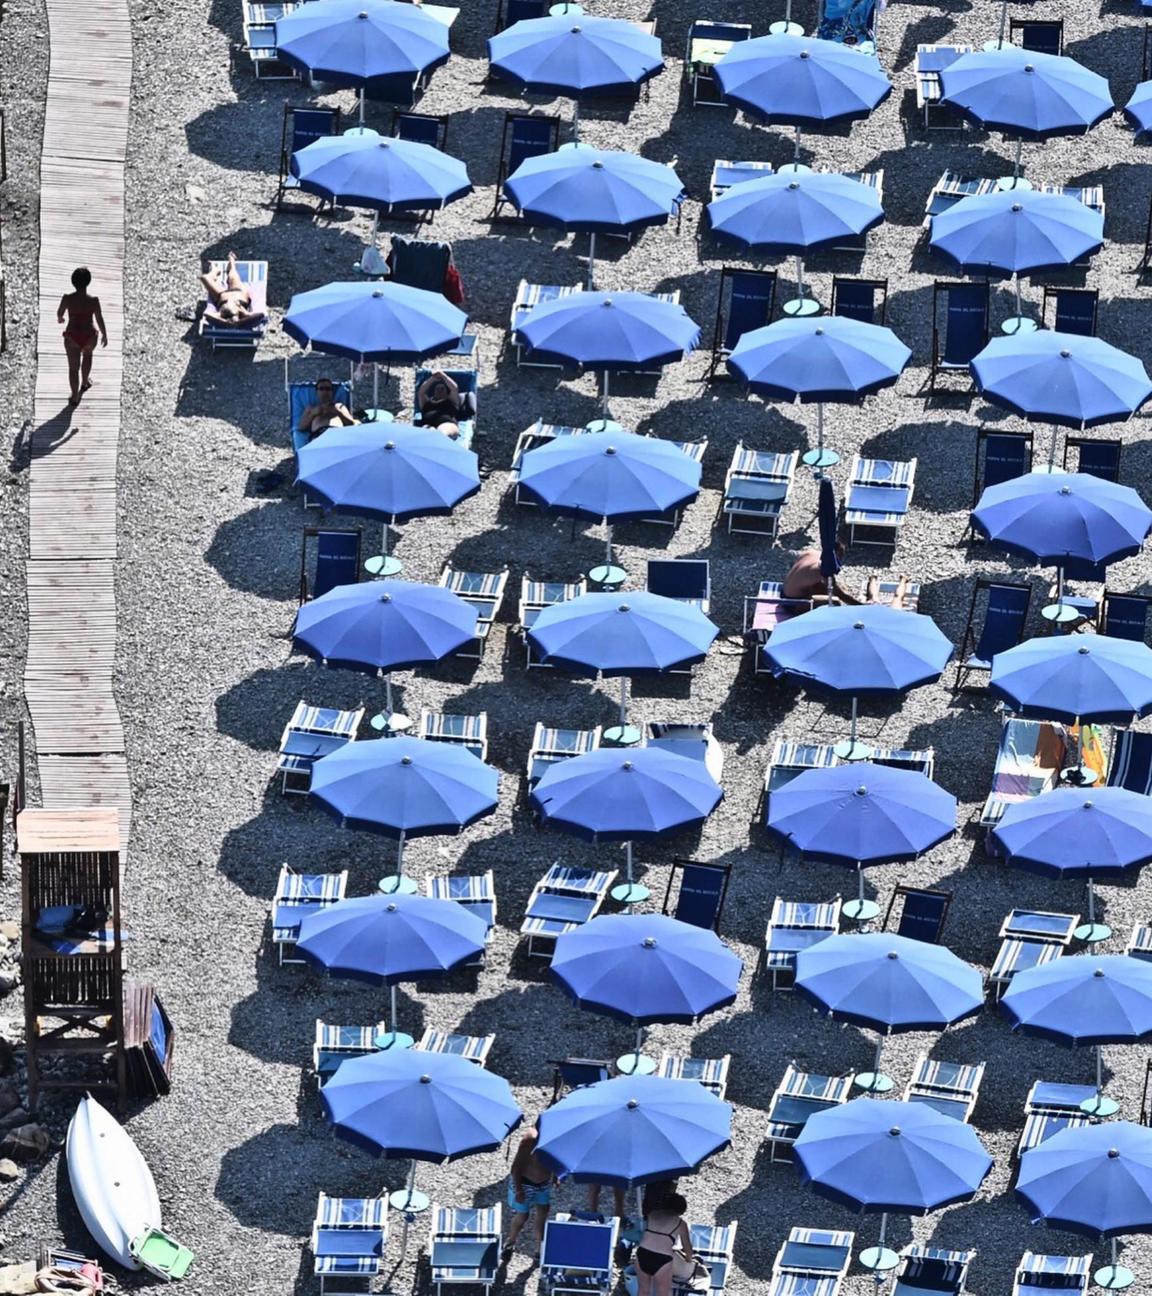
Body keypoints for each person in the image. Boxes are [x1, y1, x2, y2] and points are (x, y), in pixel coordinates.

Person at [502, 1116, 553, 1261]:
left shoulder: (555, 1140)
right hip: (524, 1183)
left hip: (543, 1184)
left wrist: (555, 1176)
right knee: (523, 1215)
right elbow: (515, 1168)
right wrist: (518, 1190)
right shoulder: (530, 1140)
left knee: (543, 1213)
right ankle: (510, 1242)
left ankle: (539, 1249)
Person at [56, 267, 108, 406]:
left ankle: (74, 396)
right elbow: (99, 319)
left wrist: (61, 318)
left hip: (72, 335)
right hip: (89, 335)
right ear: (88, 282)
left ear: (73, 282)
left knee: (73, 369)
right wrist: (104, 334)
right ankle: (84, 382)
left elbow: (60, 313)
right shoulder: (94, 301)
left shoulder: (67, 299)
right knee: (88, 356)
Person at [635, 1192, 693, 1296]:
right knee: (663, 1293)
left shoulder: (652, 1214)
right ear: (681, 1210)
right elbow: (688, 1248)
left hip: (642, 1253)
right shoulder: (680, 1223)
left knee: (643, 1291)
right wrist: (689, 1260)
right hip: (662, 1259)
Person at [199, 251, 264, 327]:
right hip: (239, 292)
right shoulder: (243, 314)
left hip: (221, 296)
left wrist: (224, 322)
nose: (233, 321)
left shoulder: (221, 315)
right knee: (232, 276)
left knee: (204, 278)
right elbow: (260, 315)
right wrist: (240, 321)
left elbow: (207, 315)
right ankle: (231, 263)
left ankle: (215, 271)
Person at [416, 370, 473, 441]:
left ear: (447, 392)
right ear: (434, 392)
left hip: (447, 425)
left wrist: (444, 376)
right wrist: (432, 379)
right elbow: (421, 392)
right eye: (437, 389)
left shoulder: (451, 401)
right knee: (429, 432)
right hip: (428, 426)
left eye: (442, 389)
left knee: (440, 434)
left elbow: (454, 388)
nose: (440, 390)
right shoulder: (426, 403)